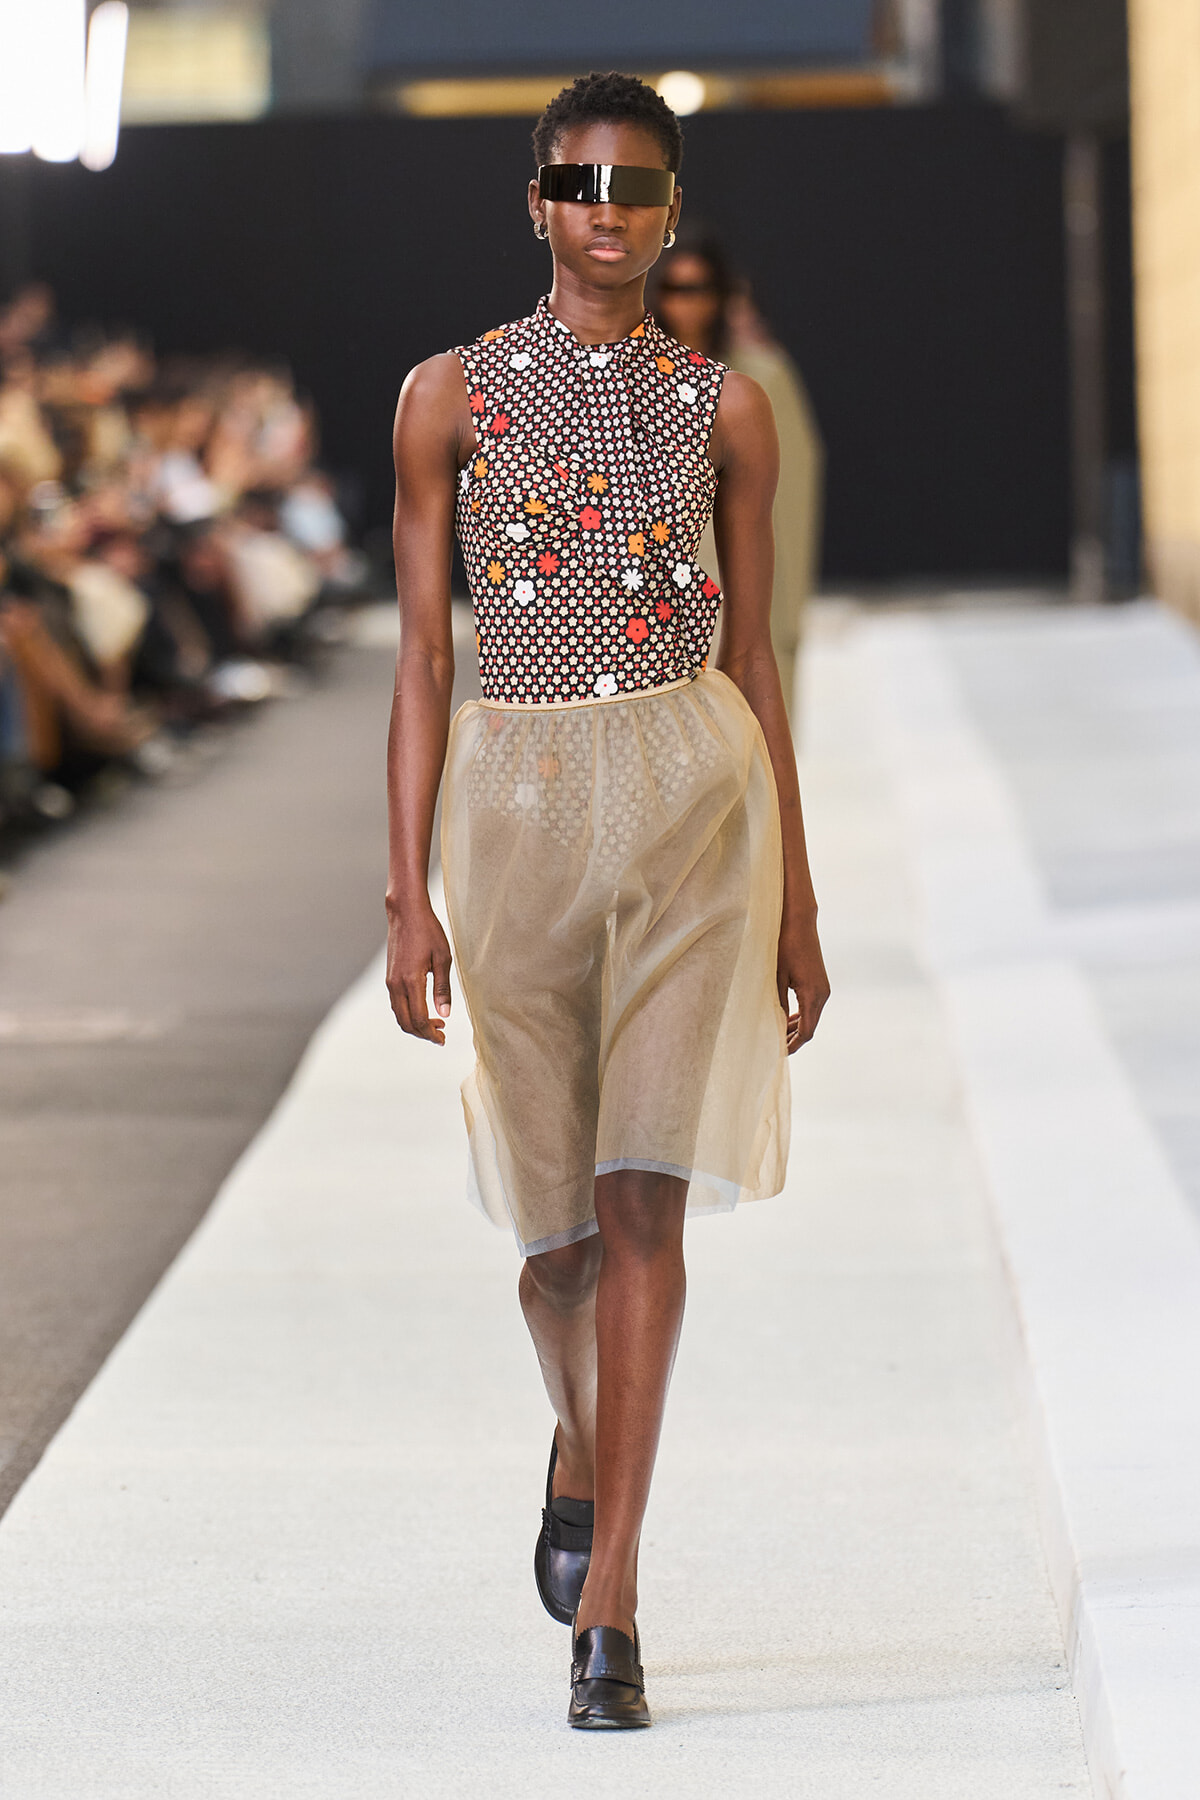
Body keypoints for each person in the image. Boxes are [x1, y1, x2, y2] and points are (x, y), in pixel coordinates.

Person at [385, 71, 829, 1730]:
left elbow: (757, 654)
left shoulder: (730, 410)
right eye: (583, 182)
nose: (612, 211)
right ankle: (579, 1440)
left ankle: (616, 1606)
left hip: (696, 811)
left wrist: (799, 898)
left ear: (667, 205)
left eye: (642, 187)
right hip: (513, 819)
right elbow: (424, 655)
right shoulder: (445, 397)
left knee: (644, 1205)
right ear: (537, 201)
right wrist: (403, 890)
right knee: (553, 1242)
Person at [651, 231, 824, 726]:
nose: (686, 304)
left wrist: (785, 617)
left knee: (752, 765)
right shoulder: (629, 380)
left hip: (742, 590)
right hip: (657, 606)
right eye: (674, 289)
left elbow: (791, 502)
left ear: (722, 294)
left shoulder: (761, 380)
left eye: (699, 288)